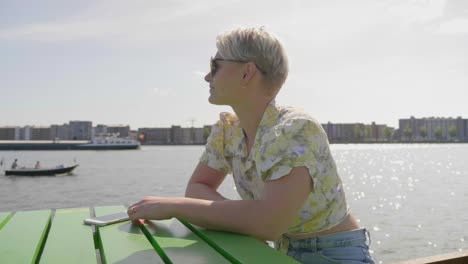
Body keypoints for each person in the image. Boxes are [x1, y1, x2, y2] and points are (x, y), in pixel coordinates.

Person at [128, 27, 374, 263]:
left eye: (215, 66)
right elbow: (198, 186)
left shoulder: (295, 129)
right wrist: (247, 219)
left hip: (334, 255)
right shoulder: (228, 130)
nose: (207, 76)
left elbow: (268, 224)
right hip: (275, 250)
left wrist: (174, 207)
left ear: (247, 73)